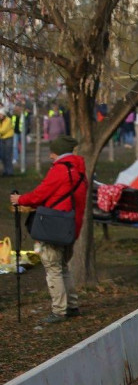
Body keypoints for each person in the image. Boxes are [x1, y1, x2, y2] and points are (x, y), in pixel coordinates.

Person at [10, 135, 87, 322]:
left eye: (52, 152)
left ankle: (58, 311)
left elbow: (40, 193)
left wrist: (20, 200)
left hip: (54, 227)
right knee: (63, 267)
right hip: (71, 226)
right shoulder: (79, 169)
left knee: (53, 268)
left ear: (59, 152)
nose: (51, 156)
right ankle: (72, 305)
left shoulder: (60, 170)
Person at [0, 107, 14, 176]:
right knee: (3, 156)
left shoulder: (8, 120)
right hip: (2, 139)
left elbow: (3, 130)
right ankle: (5, 170)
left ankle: (10, 171)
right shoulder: (0, 121)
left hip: (8, 139)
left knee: (8, 155)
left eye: (1, 114)